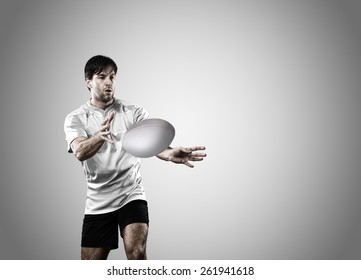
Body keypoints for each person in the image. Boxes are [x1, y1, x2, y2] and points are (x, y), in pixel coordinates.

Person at [64, 55, 206, 260]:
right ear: (88, 82)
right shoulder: (76, 117)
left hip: (131, 194)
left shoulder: (133, 112)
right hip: (97, 201)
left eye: (112, 77)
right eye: (101, 77)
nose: (108, 82)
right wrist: (99, 137)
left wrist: (169, 153)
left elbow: (153, 144)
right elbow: (79, 151)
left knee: (136, 252)